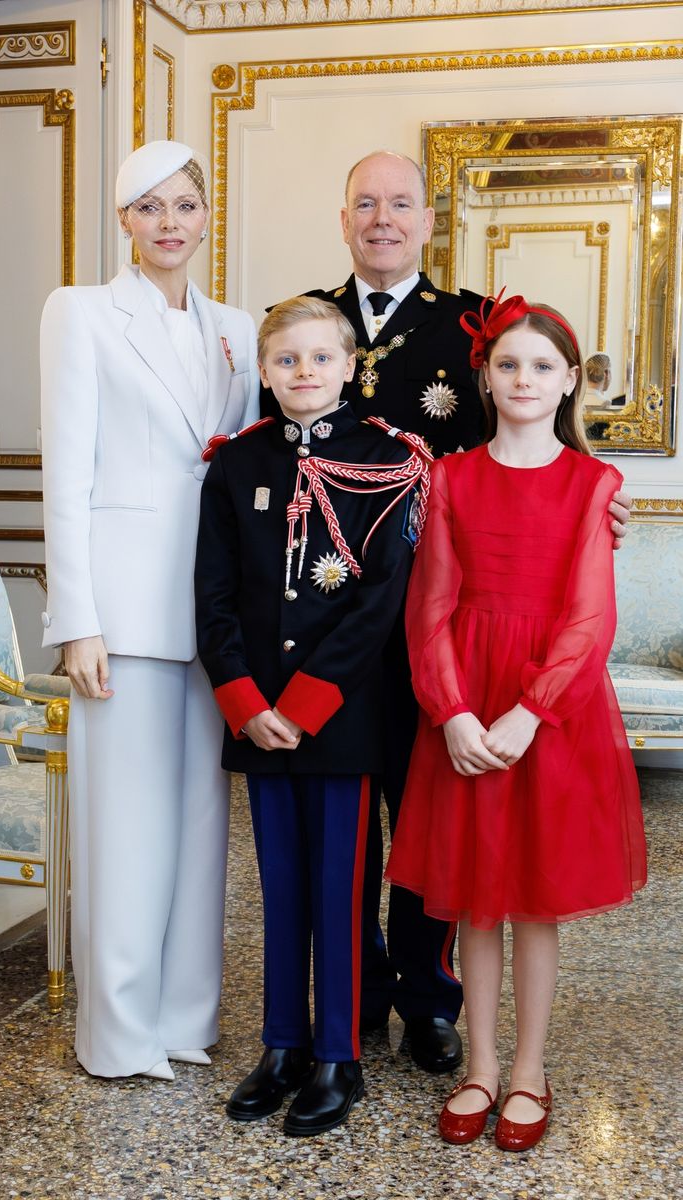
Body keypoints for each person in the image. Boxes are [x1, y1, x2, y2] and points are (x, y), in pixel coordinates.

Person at [265, 149, 633, 1076]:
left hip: (459, 638)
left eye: (400, 203)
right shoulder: (304, 324)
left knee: (447, 832)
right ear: (342, 218)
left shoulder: (466, 324)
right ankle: (350, 1004)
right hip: (337, 626)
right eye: (364, 204)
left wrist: (595, 508)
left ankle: (431, 1002)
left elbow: (533, 467)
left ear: (427, 219)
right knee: (351, 829)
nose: (382, 219)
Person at [386, 290, 647, 1151]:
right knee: (472, 904)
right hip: (465, 703)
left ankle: (529, 1069)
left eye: (542, 366)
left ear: (569, 380)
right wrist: (453, 712)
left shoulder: (593, 483)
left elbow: (588, 618)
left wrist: (529, 714)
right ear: (485, 378)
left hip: (550, 713)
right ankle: (481, 1066)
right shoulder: (451, 476)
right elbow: (430, 608)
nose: (524, 378)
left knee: (532, 902)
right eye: (508, 365)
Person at [40, 140, 259, 1080]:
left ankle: (183, 1020)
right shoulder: (81, 313)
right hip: (122, 611)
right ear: (123, 222)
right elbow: (66, 471)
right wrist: (76, 618)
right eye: (148, 208)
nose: (169, 223)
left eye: (184, 205)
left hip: (212, 610)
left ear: (206, 216)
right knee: (124, 829)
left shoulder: (239, 329)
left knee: (198, 826)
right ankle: (118, 1034)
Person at [195, 295, 430, 1135]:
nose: (303, 373)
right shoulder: (236, 465)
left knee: (339, 890)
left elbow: (379, 602)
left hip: (340, 718)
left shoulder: (388, 461)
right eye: (286, 360)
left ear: (350, 367)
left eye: (319, 358)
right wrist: (245, 703)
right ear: (263, 371)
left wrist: (301, 705)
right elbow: (214, 595)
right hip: (256, 717)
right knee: (280, 889)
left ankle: (339, 1054)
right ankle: (282, 1044)